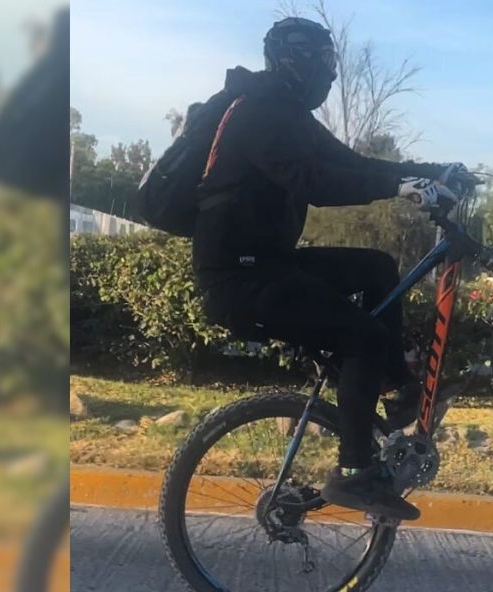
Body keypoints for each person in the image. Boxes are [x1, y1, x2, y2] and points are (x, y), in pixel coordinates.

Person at [194, 17, 462, 521]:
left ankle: (397, 392)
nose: (332, 74)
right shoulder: (255, 112)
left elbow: (353, 164)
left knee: (378, 269)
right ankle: (355, 473)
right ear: (295, 60)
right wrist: (398, 189)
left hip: (267, 265)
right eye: (324, 62)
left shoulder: (289, 114)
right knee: (360, 336)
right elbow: (313, 180)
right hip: (238, 280)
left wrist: (432, 173)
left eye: (333, 63)